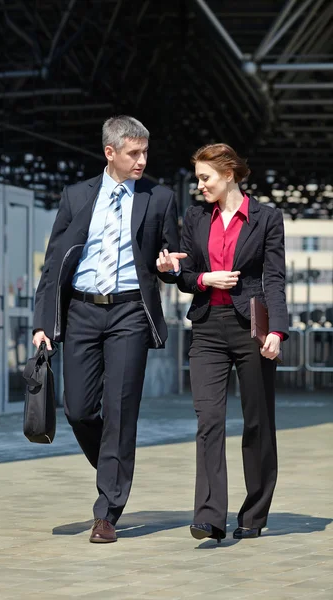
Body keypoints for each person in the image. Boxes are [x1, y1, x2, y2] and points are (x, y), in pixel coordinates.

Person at [32, 115, 186, 543]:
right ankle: (114, 464)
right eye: (133, 153)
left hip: (130, 313)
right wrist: (44, 322)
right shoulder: (77, 196)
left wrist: (170, 267)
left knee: (120, 411)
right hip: (81, 311)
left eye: (145, 152)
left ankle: (107, 511)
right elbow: (53, 264)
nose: (142, 160)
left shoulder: (159, 198)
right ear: (110, 153)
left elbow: (171, 258)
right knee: (77, 408)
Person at [177, 143, 289, 543]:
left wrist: (276, 330)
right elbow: (186, 273)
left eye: (205, 178)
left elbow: (274, 278)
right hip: (207, 327)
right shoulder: (195, 218)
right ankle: (209, 516)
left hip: (251, 329)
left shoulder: (267, 219)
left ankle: (254, 513)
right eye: (198, 179)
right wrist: (200, 278)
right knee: (209, 419)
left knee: (258, 422)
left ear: (229, 174)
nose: (200, 186)